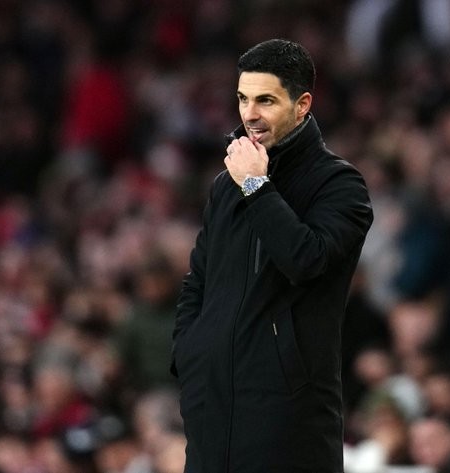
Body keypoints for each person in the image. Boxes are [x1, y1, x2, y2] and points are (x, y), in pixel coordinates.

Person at [171, 39, 373, 473]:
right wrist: (191, 357)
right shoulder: (226, 184)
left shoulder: (340, 185)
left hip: (287, 418)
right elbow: (198, 281)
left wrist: (256, 187)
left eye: (265, 100)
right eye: (243, 99)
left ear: (302, 105)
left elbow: (306, 261)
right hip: (211, 407)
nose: (249, 114)